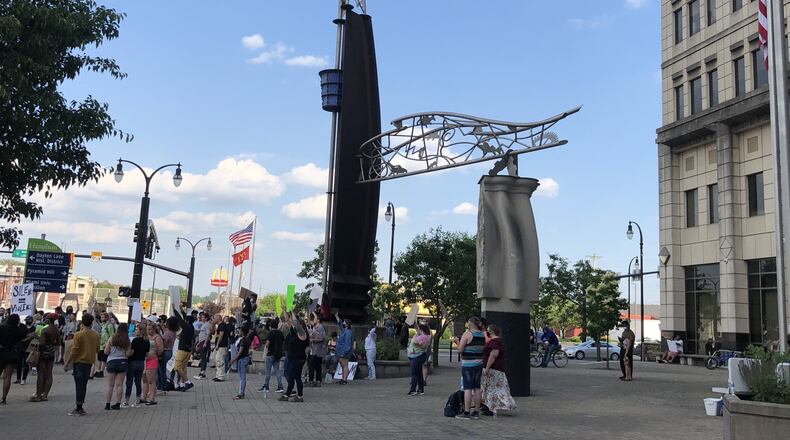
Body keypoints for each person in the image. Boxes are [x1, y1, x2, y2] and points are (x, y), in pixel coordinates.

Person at [64, 313, 99, 415]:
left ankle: (78, 407)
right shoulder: (96, 335)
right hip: (89, 362)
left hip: (79, 362)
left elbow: (74, 350)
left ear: (82, 322)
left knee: (78, 385)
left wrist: (67, 363)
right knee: (84, 384)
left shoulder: (78, 335)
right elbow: (97, 349)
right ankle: (81, 405)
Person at [481, 324, 517, 414]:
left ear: (492, 331)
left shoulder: (495, 341)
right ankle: (490, 406)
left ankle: (494, 406)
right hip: (495, 368)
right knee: (491, 388)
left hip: (493, 368)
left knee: (493, 388)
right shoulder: (497, 341)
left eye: (488, 330)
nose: (487, 332)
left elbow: (493, 355)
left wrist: (487, 367)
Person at [454, 317, 485, 420]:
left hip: (468, 364)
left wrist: (457, 342)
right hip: (479, 363)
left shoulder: (467, 334)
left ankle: (466, 412)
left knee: (467, 388)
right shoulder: (482, 334)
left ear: (470, 323)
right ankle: (476, 412)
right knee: (477, 388)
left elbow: (460, 349)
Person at [1, 314, 34, 404]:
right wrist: (23, 341)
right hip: (12, 354)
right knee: (7, 377)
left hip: (1, 353)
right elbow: (30, 335)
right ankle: (4, 398)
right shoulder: (19, 330)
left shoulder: (2, 328)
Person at [279, 316, 308, 402]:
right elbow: (289, 322)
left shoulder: (303, 335)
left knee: (297, 378)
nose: (294, 326)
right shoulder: (295, 333)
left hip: (298, 359)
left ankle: (299, 396)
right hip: (294, 358)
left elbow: (295, 323)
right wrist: (287, 311)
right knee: (292, 377)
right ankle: (287, 394)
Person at [31, 313, 59, 402]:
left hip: (43, 354)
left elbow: (42, 343)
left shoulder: (45, 330)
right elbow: (58, 343)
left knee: (41, 374)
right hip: (51, 353)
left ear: (48, 319)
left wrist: (36, 337)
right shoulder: (56, 330)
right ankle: (45, 395)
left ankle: (38, 395)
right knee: (49, 374)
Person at [103, 322, 130, 410]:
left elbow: (106, 352)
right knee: (120, 385)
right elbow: (128, 353)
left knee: (110, 385)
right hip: (122, 362)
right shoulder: (127, 340)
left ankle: (107, 404)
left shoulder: (111, 338)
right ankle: (118, 404)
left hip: (111, 362)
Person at [171, 308, 195, 392]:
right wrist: (181, 310)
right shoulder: (191, 327)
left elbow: (180, 319)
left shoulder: (187, 327)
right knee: (183, 367)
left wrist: (175, 310)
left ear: (187, 321)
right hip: (188, 350)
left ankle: (188, 382)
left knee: (177, 367)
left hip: (182, 350)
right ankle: (183, 383)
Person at [124, 325, 147, 407]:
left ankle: (126, 401)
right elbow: (146, 354)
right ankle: (137, 401)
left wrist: (127, 353)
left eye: (136, 329)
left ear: (140, 331)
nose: (135, 331)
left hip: (132, 362)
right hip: (141, 363)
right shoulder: (146, 341)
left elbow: (131, 353)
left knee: (129, 382)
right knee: (138, 382)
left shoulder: (135, 341)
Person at [259, 318, 284, 392]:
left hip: (270, 354)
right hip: (277, 354)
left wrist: (265, 351)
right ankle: (280, 386)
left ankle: (266, 386)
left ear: (270, 326)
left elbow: (267, 344)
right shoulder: (280, 333)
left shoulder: (270, 333)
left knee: (267, 371)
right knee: (277, 370)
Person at [229, 324, 253, 400]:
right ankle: (241, 392)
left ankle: (241, 393)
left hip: (242, 359)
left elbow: (240, 351)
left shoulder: (243, 340)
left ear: (242, 332)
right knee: (242, 376)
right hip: (245, 358)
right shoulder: (248, 339)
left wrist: (233, 359)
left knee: (242, 377)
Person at [142, 321, 163, 405]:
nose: (148, 331)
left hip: (152, 360)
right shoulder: (146, 337)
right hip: (145, 360)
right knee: (144, 380)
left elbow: (160, 350)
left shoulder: (157, 337)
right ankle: (144, 397)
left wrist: (154, 352)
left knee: (151, 380)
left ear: (154, 329)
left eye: (150, 329)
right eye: (147, 329)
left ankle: (152, 398)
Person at [407, 324, 431, 396]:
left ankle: (413, 390)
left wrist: (415, 335)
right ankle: (421, 389)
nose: (417, 331)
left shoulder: (423, 337)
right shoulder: (425, 336)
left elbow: (414, 341)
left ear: (422, 330)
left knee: (414, 374)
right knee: (419, 374)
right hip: (417, 356)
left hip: (417, 356)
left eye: (419, 330)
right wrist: (415, 323)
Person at [14, 315, 35, 385]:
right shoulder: (22, 327)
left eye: (29, 320)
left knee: (26, 363)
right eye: (26, 320)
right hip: (20, 347)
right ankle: (18, 378)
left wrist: (26, 338)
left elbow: (33, 336)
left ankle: (24, 379)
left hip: (29, 348)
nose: (27, 322)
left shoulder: (33, 328)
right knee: (19, 363)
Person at [334, 313, 354, 385]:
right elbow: (339, 323)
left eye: (344, 322)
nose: (343, 322)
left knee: (345, 365)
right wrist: (336, 316)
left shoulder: (348, 332)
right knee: (342, 365)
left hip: (344, 352)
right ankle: (343, 379)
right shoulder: (344, 330)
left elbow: (348, 344)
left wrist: (344, 352)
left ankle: (345, 380)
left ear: (347, 324)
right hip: (341, 351)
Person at [307, 313, 326, 387]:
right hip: (313, 349)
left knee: (315, 366)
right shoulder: (314, 327)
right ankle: (315, 380)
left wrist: (312, 340)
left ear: (317, 320)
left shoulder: (320, 327)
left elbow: (320, 338)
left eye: (312, 320)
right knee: (314, 366)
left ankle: (314, 381)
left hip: (318, 351)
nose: (311, 322)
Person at [194, 312, 212, 380]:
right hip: (202, 341)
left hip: (204, 341)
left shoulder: (207, 325)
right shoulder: (204, 324)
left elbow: (208, 334)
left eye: (203, 317)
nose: (201, 318)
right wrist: (198, 343)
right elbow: (201, 334)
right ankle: (202, 372)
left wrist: (205, 343)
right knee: (202, 357)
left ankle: (202, 372)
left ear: (206, 318)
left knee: (203, 357)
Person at [212, 315, 229, 382]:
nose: (213, 319)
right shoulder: (219, 325)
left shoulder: (222, 325)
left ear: (218, 319)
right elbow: (213, 333)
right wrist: (213, 325)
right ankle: (218, 375)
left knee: (220, 361)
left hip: (221, 346)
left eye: (214, 318)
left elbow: (221, 335)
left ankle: (221, 376)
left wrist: (217, 344)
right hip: (219, 346)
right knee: (216, 360)